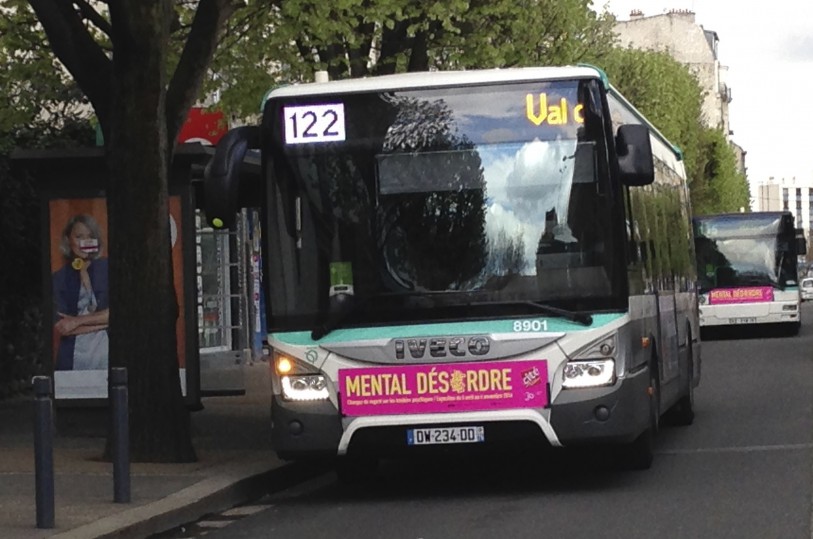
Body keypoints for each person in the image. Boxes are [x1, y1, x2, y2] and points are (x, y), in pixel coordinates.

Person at [52, 214, 109, 371]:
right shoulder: (59, 278)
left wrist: (76, 321)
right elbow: (62, 327)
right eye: (79, 237)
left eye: (90, 237)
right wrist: (104, 322)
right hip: (72, 358)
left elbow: (121, 315)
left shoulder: (108, 268)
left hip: (106, 353)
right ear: (68, 241)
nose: (85, 242)